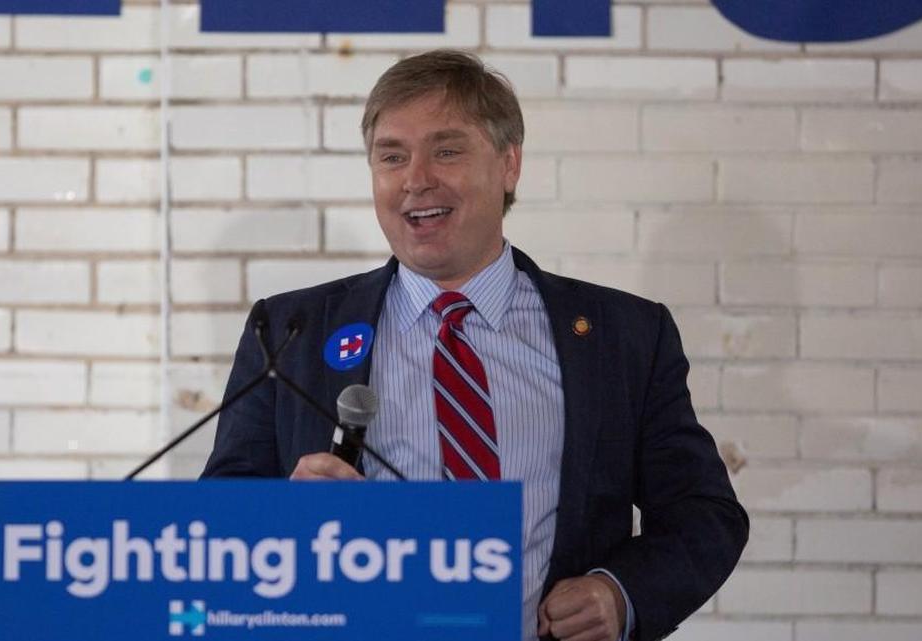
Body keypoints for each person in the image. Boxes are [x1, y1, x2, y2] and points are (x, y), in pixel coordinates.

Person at [201, 49, 748, 641]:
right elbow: (218, 522)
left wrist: (619, 593)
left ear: (509, 164)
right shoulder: (290, 332)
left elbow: (703, 515)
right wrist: (284, 520)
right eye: (392, 156)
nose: (416, 179)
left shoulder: (625, 336)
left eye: (447, 150)